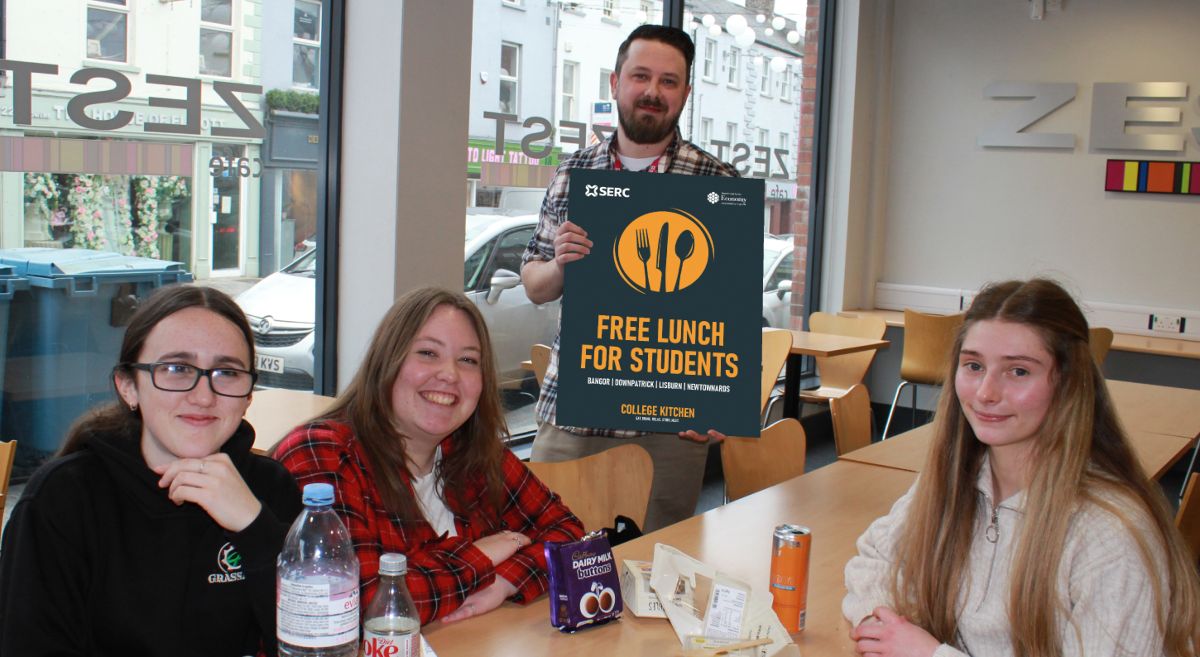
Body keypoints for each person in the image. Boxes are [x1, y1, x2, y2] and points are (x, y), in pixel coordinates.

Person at [843, 279, 1200, 657]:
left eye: (1018, 372)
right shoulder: (960, 480)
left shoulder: (1110, 537)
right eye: (974, 365)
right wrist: (880, 627)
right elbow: (876, 559)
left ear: (1067, 383)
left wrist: (931, 655)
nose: (985, 392)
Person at [0, 285, 302, 657]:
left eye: (226, 372)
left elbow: (314, 645)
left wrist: (256, 529)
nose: (204, 396)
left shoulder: (270, 489)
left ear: (248, 396)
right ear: (128, 387)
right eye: (176, 369)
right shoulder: (62, 499)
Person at [521, 24, 739, 532]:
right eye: (641, 76)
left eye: (668, 81)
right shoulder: (573, 172)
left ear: (685, 93)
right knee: (551, 555)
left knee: (657, 566)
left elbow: (728, 311)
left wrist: (720, 398)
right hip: (576, 405)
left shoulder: (718, 184)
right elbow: (534, 283)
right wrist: (560, 265)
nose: (652, 92)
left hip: (672, 422)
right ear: (616, 82)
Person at [274, 287, 584, 625]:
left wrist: (506, 579)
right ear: (386, 361)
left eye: (468, 360)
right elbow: (359, 605)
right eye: (427, 353)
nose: (450, 375)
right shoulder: (324, 454)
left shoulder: (474, 452)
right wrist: (482, 555)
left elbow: (569, 535)